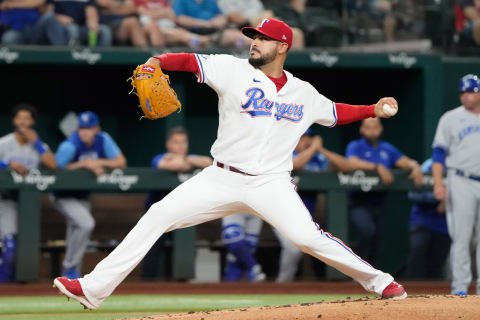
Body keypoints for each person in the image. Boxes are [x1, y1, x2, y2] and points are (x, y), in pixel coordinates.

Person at [54, 18, 407, 309]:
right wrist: (157, 60)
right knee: (158, 215)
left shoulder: (303, 92)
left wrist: (371, 109)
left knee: (306, 237)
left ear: (282, 47)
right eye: (253, 37)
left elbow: (334, 113)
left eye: (263, 39)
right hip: (220, 178)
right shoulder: (231, 69)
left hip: (271, 182)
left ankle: (383, 282)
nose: (254, 43)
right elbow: (191, 61)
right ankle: (93, 288)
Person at [53, 111, 126, 279]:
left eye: (89, 128)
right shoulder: (70, 145)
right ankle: (70, 266)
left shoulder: (103, 139)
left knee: (76, 230)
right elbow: (55, 169)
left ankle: (70, 277)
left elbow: (121, 162)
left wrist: (97, 162)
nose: (84, 131)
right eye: (81, 128)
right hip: (62, 196)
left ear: (97, 129)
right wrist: (84, 164)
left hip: (82, 196)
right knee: (86, 224)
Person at [346, 117, 423, 266]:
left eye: (375, 127)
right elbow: (351, 162)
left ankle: (370, 274)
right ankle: (357, 267)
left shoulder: (387, 148)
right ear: (362, 129)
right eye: (368, 127)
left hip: (379, 200)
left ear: (380, 129)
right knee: (367, 230)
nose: (372, 131)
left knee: (376, 238)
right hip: (359, 200)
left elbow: (406, 162)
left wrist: (415, 166)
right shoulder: (355, 146)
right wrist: (377, 167)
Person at [142, 126, 212, 280]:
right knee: (151, 247)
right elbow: (170, 165)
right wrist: (186, 162)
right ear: (168, 144)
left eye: (183, 142)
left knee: (185, 244)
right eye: (176, 142)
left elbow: (208, 161)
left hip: (181, 214)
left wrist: (186, 160)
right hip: (157, 212)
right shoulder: (160, 157)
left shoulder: (189, 157)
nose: (180, 146)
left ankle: (180, 283)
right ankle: (146, 285)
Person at [432, 74, 480, 295]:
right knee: (461, 236)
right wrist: (438, 182)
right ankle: (460, 288)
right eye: (463, 92)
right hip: (460, 179)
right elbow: (438, 153)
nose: (466, 96)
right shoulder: (450, 118)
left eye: (470, 91)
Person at [0, 104, 57, 283]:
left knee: (25, 246)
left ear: (32, 121)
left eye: (27, 118)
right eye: (19, 118)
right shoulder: (5, 143)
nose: (23, 122)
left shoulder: (39, 145)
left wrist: (37, 142)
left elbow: (53, 165)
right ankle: (5, 287)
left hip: (29, 203)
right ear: (14, 121)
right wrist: (7, 165)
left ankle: (20, 286)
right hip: (6, 199)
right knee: (10, 245)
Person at [406, 158, 450, 279]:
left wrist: (447, 201)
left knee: (437, 264)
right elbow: (413, 194)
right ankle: (411, 292)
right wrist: (437, 199)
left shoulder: (458, 166)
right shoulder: (428, 166)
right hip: (422, 219)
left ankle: (433, 297)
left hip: (445, 224)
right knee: (417, 255)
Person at [133, 0, 211, 48]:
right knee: (159, 29)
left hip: (165, 30)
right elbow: (142, 12)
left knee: (173, 33)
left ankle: (193, 41)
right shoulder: (140, 1)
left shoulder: (161, 1)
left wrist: (159, 13)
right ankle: (197, 39)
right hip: (145, 30)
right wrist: (163, 12)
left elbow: (171, 15)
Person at [172, 0, 249, 48]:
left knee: (234, 34)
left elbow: (222, 16)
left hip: (214, 33)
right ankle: (202, 41)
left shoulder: (211, 1)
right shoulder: (180, 1)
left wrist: (219, 21)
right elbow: (179, 19)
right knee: (179, 34)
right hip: (190, 33)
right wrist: (206, 24)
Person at [35, 0, 112, 46]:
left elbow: (91, 9)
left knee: (104, 30)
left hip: (82, 28)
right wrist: (59, 17)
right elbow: (48, 13)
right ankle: (68, 59)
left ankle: (101, 61)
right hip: (61, 28)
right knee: (72, 28)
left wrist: (92, 22)